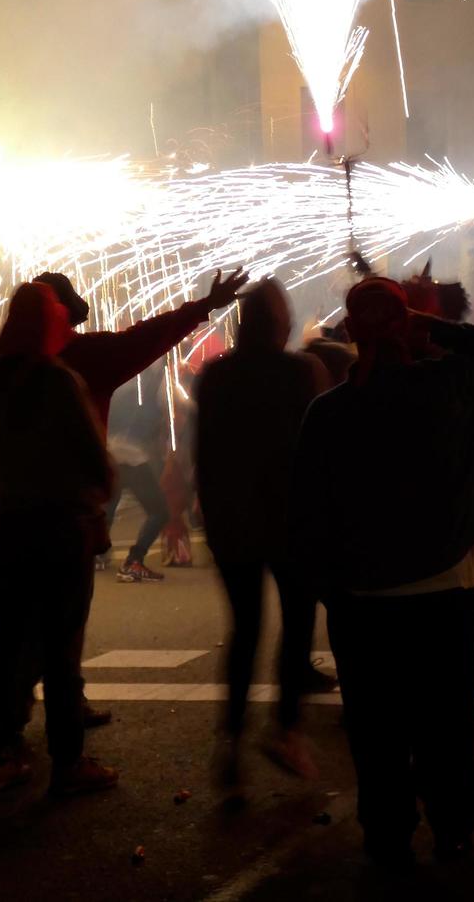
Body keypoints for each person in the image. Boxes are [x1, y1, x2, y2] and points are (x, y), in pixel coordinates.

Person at [291, 276, 474, 864]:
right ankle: (453, 827)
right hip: (442, 593)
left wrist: (332, 592)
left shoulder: (328, 413)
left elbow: (309, 515)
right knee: (445, 727)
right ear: (405, 327)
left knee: (376, 731)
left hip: (362, 601)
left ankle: (387, 832)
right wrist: (427, 322)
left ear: (353, 332)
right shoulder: (447, 389)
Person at [0, 270, 249, 574]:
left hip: (15, 520)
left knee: (12, 642)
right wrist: (203, 306)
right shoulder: (90, 358)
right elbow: (149, 336)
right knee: (63, 638)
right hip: (68, 521)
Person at [0, 282, 117, 798]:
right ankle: (69, 761)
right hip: (61, 527)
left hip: (12, 525)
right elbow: (91, 455)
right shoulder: (59, 380)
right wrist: (102, 493)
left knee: (7, 645)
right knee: (62, 646)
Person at [196, 279, 329, 795]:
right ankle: (285, 728)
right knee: (297, 624)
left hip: (233, 522)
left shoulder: (216, 376)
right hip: (291, 521)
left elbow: (205, 453)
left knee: (245, 629)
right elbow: (317, 452)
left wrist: (209, 507)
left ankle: (230, 736)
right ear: (281, 325)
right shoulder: (302, 373)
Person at [104, 372, 172, 582]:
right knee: (160, 511)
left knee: (108, 506)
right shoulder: (157, 379)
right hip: (131, 455)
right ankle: (134, 560)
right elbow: (177, 405)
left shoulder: (120, 379)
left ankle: (95, 554)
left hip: (110, 452)